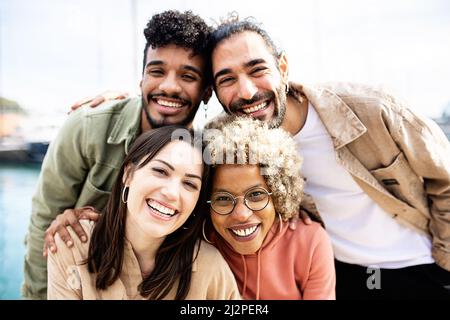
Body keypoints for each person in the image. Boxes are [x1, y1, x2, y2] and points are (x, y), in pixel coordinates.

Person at [205, 16, 450, 299]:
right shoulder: (228, 144)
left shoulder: (373, 108)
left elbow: (444, 177)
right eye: (227, 79)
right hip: (339, 273)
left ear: (282, 68)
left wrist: (444, 261)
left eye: (257, 70)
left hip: (421, 265)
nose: (246, 92)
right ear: (213, 91)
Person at [23, 10, 213, 299]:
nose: (169, 86)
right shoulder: (86, 130)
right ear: (141, 80)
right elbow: (42, 227)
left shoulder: (207, 156)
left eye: (187, 76)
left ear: (206, 91)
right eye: (156, 71)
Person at [47, 125, 240, 299]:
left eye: (189, 184)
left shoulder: (211, 268)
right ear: (128, 174)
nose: (171, 193)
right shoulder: (73, 242)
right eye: (161, 171)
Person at [202, 117, 335, 299]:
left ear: (279, 194)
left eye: (256, 195)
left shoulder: (310, 242)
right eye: (223, 198)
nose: (241, 214)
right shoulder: (203, 244)